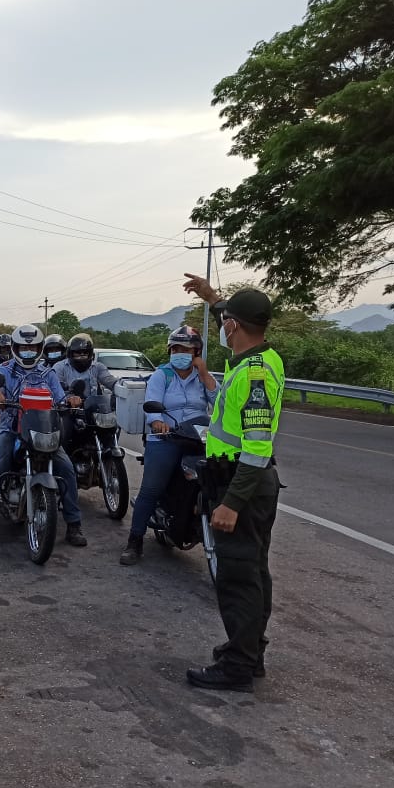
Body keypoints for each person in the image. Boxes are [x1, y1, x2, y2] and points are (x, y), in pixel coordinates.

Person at [180, 275, 284, 694]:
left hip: (244, 484)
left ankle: (240, 666)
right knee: (253, 572)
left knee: (239, 577)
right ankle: (248, 649)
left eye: (226, 320)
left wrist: (231, 504)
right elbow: (237, 322)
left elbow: (257, 449)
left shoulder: (253, 376)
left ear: (235, 326)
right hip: (246, 483)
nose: (223, 325)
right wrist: (214, 299)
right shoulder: (260, 357)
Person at [0, 324, 88, 547]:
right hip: (12, 430)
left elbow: (60, 397)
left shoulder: (48, 373)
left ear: (39, 349)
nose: (29, 352)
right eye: (24, 348)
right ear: (15, 348)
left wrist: (71, 400)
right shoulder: (3, 370)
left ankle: (74, 525)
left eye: (34, 348)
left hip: (45, 431)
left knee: (66, 468)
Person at [120, 325, 217, 566]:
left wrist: (205, 374)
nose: (178, 353)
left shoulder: (202, 377)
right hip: (167, 437)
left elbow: (220, 404)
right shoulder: (162, 375)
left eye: (184, 349)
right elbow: (152, 403)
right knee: (152, 488)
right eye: (175, 349)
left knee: (217, 478)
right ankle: (135, 541)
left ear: (197, 353)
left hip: (198, 437)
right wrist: (157, 423)